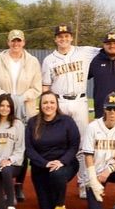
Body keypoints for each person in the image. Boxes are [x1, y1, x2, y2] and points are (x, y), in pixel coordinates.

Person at [41, 23, 103, 196]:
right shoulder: (49, 60)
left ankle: (83, 182)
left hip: (79, 101)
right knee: (57, 142)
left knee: (83, 143)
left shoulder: (84, 51)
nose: (63, 38)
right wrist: (45, 107)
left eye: (66, 35)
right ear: (55, 39)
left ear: (71, 37)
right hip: (58, 102)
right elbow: (46, 86)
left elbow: (107, 49)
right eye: (60, 36)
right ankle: (55, 179)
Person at [25, 91, 80, 209]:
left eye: (51, 102)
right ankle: (54, 198)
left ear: (57, 104)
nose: (48, 105)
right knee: (46, 208)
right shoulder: (33, 123)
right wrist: (45, 163)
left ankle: (60, 206)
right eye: (45, 102)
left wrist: (62, 162)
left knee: (57, 173)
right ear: (40, 105)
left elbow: (74, 145)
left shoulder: (67, 121)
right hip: (41, 167)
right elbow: (29, 149)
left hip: (64, 164)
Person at [0, 30, 43, 121]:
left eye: (19, 40)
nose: (16, 43)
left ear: (24, 42)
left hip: (26, 109)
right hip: (2, 109)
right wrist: (7, 98)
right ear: (8, 42)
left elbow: (37, 88)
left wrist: (21, 99)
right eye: (13, 40)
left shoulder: (33, 61)